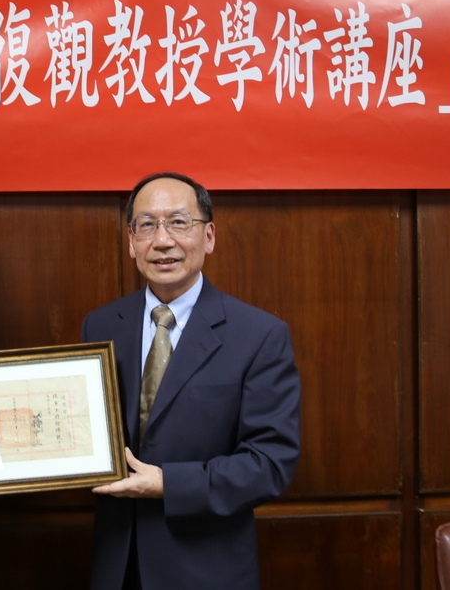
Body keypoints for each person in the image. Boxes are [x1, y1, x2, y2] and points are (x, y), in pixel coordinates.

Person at [82, 172, 300, 590]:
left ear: (209, 236)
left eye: (179, 222)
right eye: (146, 225)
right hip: (118, 565)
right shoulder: (101, 324)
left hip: (206, 569)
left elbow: (271, 462)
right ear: (131, 241)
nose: (162, 240)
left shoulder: (259, 335)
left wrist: (170, 484)